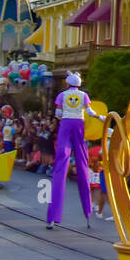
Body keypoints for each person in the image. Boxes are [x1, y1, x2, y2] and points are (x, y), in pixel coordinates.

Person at [47, 71, 102, 229]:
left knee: (61, 163)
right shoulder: (84, 96)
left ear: (68, 83)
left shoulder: (62, 95)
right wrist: (100, 117)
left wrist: (65, 117)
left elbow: (57, 113)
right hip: (79, 125)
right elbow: (90, 112)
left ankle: (53, 217)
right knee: (82, 163)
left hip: (65, 125)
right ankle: (88, 213)